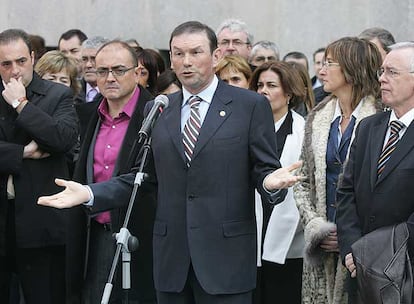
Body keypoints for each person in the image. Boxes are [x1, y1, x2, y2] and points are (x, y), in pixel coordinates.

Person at [38, 20, 303, 304]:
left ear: (215, 57)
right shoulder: (160, 108)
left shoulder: (248, 106)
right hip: (172, 260)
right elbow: (142, 177)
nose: (186, 61)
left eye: (195, 52)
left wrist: (270, 182)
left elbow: (262, 169)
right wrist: (90, 192)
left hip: (225, 258)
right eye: (178, 53)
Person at [293, 37, 383, 304]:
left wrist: (348, 234)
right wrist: (315, 226)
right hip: (322, 246)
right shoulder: (318, 118)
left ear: (353, 69)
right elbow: (302, 180)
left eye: (329, 63)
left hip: (363, 247)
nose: (321, 71)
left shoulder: (381, 118)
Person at [68, 40, 156, 304]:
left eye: (119, 70)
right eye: (103, 70)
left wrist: (89, 193)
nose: (110, 78)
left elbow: (147, 180)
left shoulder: (157, 114)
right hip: (92, 233)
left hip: (141, 236)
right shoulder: (87, 114)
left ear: (137, 72)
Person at [0, 28, 78, 304]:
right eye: (6, 64)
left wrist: (21, 104)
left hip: (41, 225)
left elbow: (61, 139)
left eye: (21, 61)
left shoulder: (57, 95)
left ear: (33, 57)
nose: (15, 70)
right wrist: (21, 152)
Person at [336, 42, 414, 303]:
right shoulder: (369, 127)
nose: (381, 78)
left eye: (392, 72)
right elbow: (346, 191)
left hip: (406, 273)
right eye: (381, 71)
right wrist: (353, 250)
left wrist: (377, 253)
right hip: (360, 272)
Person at [250, 61, 306, 304]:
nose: (264, 90)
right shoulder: (244, 125)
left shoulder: (304, 130)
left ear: (289, 93)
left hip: (289, 232)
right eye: (260, 85)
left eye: (271, 85)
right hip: (249, 225)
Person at [80, 36, 110, 102]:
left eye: (94, 59)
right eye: (84, 59)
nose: (88, 65)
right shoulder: (72, 91)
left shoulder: (116, 93)